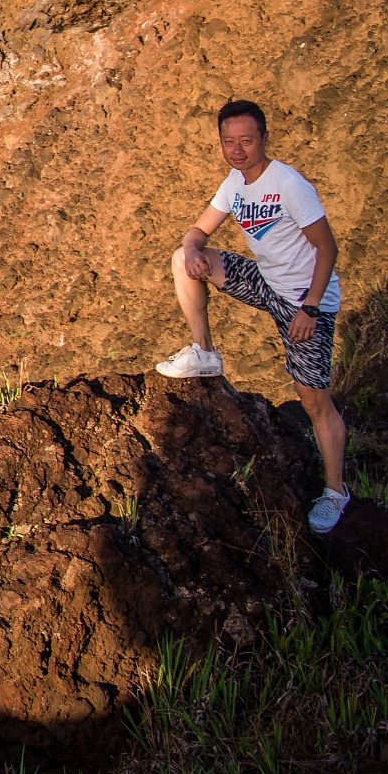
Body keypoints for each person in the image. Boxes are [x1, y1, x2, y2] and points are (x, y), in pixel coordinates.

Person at [156, 100, 350, 532]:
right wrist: (191, 248)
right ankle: (205, 351)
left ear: (264, 138)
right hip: (266, 281)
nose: (238, 149)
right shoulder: (235, 184)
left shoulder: (289, 185)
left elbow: (328, 248)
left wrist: (311, 308)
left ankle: (336, 492)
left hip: (304, 300)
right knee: (183, 260)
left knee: (313, 401)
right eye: (229, 141)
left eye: (246, 140)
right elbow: (199, 230)